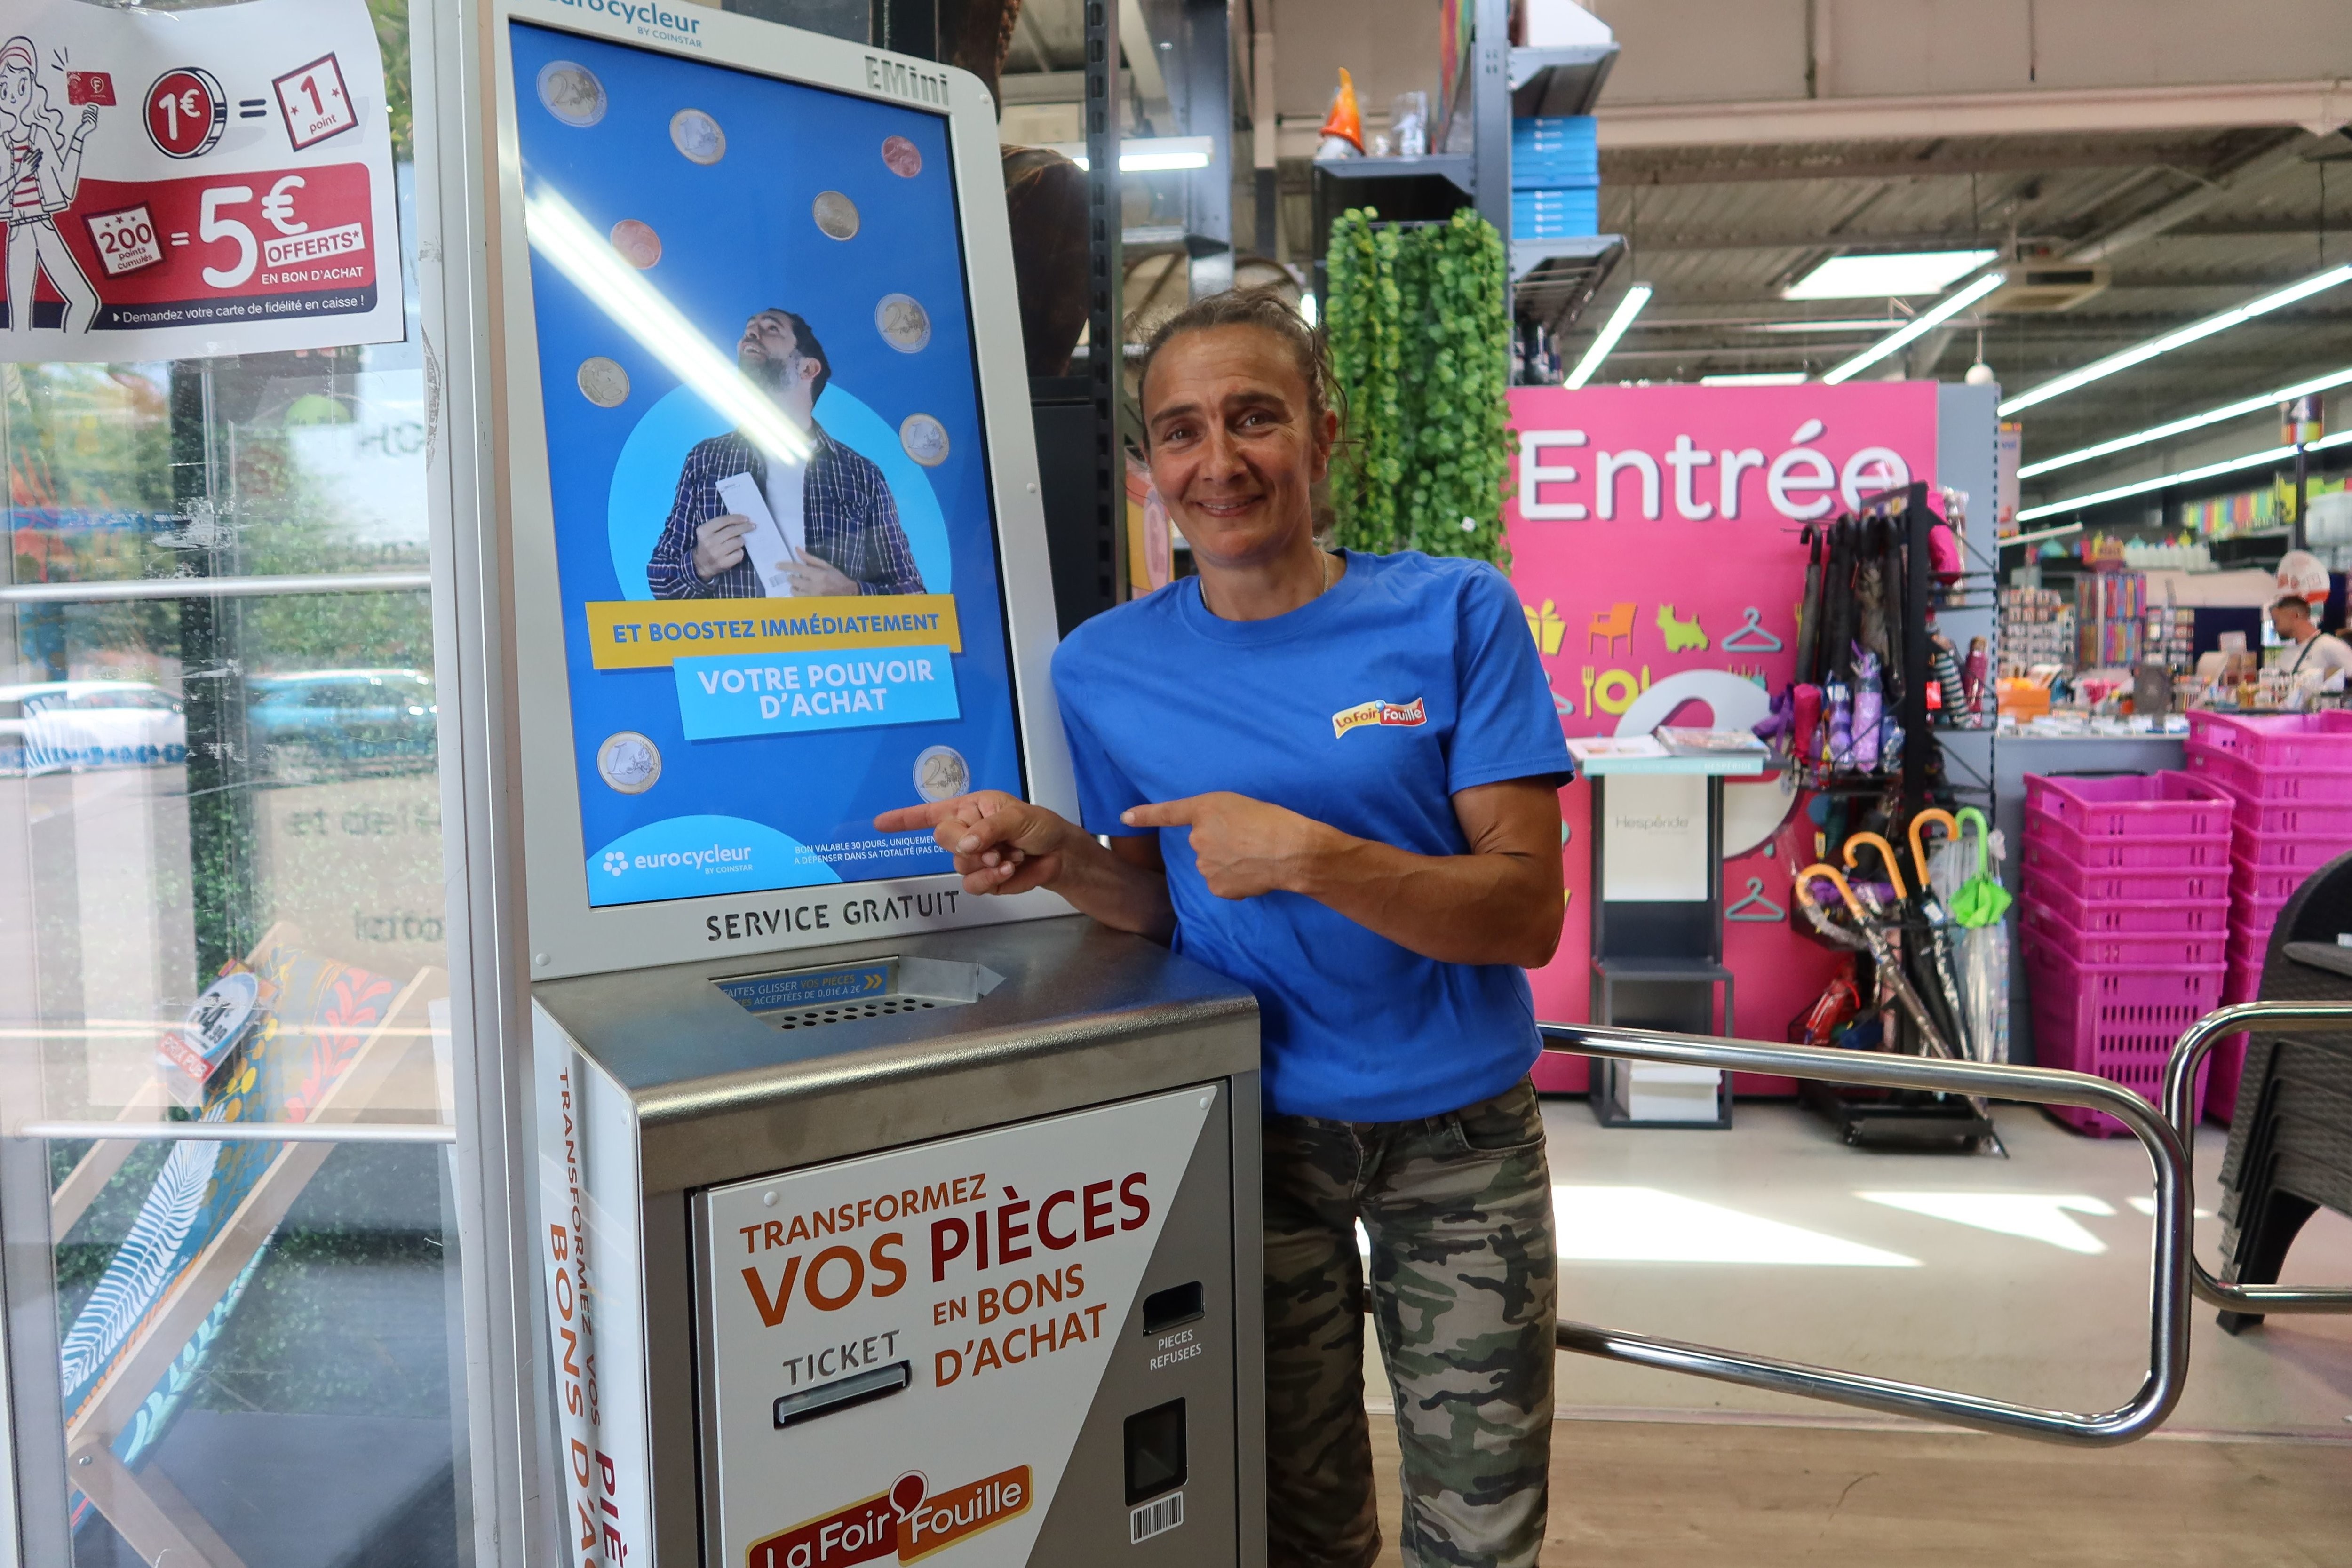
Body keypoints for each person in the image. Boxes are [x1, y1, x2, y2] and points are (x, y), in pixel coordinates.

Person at [876, 288, 1570, 1567]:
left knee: (1480, 1524)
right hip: (1247, 1131)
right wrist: (1060, 859)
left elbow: (1525, 911)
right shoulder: (1102, 666)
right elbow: (1162, 898)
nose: (1220, 459)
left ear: (1323, 434)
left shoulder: (1455, 614)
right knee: (1291, 1519)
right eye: (1182, 431)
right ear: (1149, 467)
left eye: (1256, 416)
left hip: (1456, 1138)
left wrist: (1312, 854)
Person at [646, 308, 925, 598]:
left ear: (807, 369)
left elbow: (915, 597)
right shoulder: (707, 459)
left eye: (771, 329)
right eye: (749, 329)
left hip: (833, 644)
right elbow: (662, 580)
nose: (751, 334)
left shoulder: (862, 476)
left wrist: (852, 594)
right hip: (742, 644)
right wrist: (700, 566)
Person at [1, 35, 101, 339]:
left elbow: (65, 190)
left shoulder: (41, 135)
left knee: (87, 301)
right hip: (18, 232)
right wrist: (19, 176)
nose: (12, 94)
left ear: (31, 87)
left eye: (20, 85)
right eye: (4, 87)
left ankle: (65, 355)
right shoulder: (2, 147)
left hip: (44, 229)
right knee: (19, 327)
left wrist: (81, 135)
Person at [2269, 593, 2352, 680]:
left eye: (2277, 622)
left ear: (2295, 616)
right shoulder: (2287, 654)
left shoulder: (2329, 644)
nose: (2276, 629)